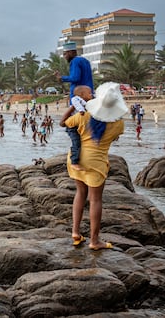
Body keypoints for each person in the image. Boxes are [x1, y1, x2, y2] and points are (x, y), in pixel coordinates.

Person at [60, 82, 127, 250]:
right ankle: (94, 241)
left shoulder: (83, 116)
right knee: (95, 199)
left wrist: (72, 105)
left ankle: (76, 233)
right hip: (96, 162)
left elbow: (64, 123)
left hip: (76, 159)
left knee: (80, 193)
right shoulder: (118, 124)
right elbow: (113, 137)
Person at [63, 85, 93, 171]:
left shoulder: (86, 102)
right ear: (82, 94)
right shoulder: (76, 99)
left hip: (80, 126)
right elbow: (76, 104)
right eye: (89, 93)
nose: (91, 94)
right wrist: (81, 110)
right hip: (72, 127)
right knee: (76, 143)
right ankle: (74, 162)